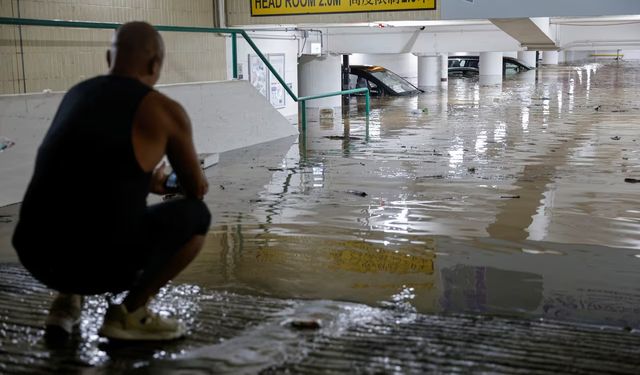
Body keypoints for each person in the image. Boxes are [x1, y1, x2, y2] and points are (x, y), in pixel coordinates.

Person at [12, 21, 211, 341]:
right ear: (155, 64)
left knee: (71, 203)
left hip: (34, 253)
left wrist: (143, 181)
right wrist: (164, 182)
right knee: (197, 217)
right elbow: (196, 189)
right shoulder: (163, 110)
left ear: (109, 58)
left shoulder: (76, 95)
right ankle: (129, 313)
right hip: (101, 266)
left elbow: (84, 170)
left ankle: (67, 299)